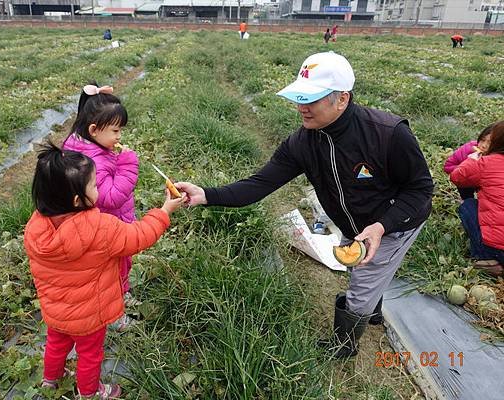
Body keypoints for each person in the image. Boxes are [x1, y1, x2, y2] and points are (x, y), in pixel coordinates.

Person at [175, 51, 434, 359]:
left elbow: (420, 191)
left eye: (311, 99)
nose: (301, 107)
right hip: (355, 221)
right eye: (299, 97)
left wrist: (381, 227)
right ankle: (373, 310)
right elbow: (259, 185)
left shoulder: (388, 134)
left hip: (395, 222)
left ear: (342, 99)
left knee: (362, 281)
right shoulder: (303, 142)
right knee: (362, 266)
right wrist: (205, 194)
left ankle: (344, 346)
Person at [24, 142, 185, 398]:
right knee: (89, 354)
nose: (98, 189)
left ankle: (50, 380)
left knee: (55, 344)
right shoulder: (100, 227)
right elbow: (139, 236)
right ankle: (90, 393)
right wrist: (164, 211)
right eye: (95, 185)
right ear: (79, 200)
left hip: (55, 309)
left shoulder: (36, 227)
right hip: (89, 314)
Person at [63, 84, 140, 331]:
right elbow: (111, 198)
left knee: (119, 267)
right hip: (106, 230)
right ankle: (115, 315)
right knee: (110, 274)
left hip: (106, 226)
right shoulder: (93, 161)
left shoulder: (83, 146)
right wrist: (128, 165)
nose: (119, 137)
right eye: (116, 131)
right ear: (94, 130)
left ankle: (122, 294)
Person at [450, 121, 504, 277]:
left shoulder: (486, 162)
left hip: (497, 250)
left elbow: (457, 176)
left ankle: (485, 257)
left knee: (468, 205)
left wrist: (474, 158)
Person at [444, 124, 493, 200]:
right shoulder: (467, 150)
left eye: (490, 143)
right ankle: (467, 200)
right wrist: (466, 167)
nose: (484, 145)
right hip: (467, 182)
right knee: (465, 191)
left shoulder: (497, 157)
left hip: (485, 186)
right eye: (482, 140)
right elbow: (448, 167)